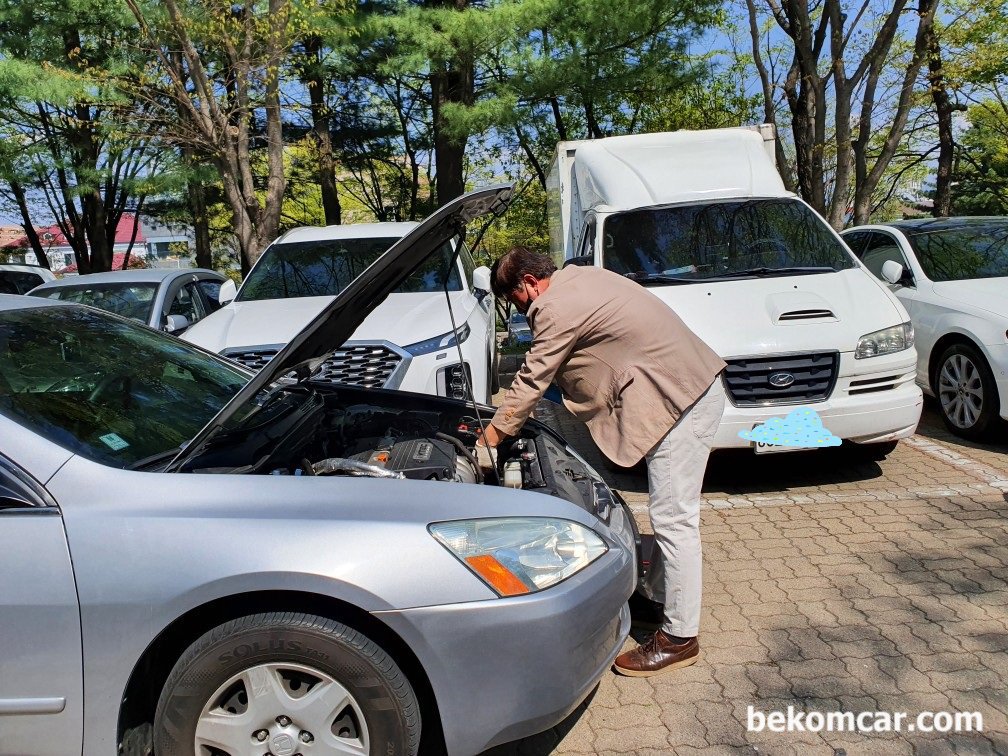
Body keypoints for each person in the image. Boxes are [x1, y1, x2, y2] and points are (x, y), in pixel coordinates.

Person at [475, 246, 726, 677]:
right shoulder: (583, 277)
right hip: (685, 387)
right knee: (671, 516)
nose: (520, 309)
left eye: (516, 300)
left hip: (679, 400)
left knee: (674, 519)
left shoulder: (552, 306)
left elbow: (533, 376)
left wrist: (492, 436)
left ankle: (680, 637)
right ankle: (663, 601)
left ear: (529, 284)